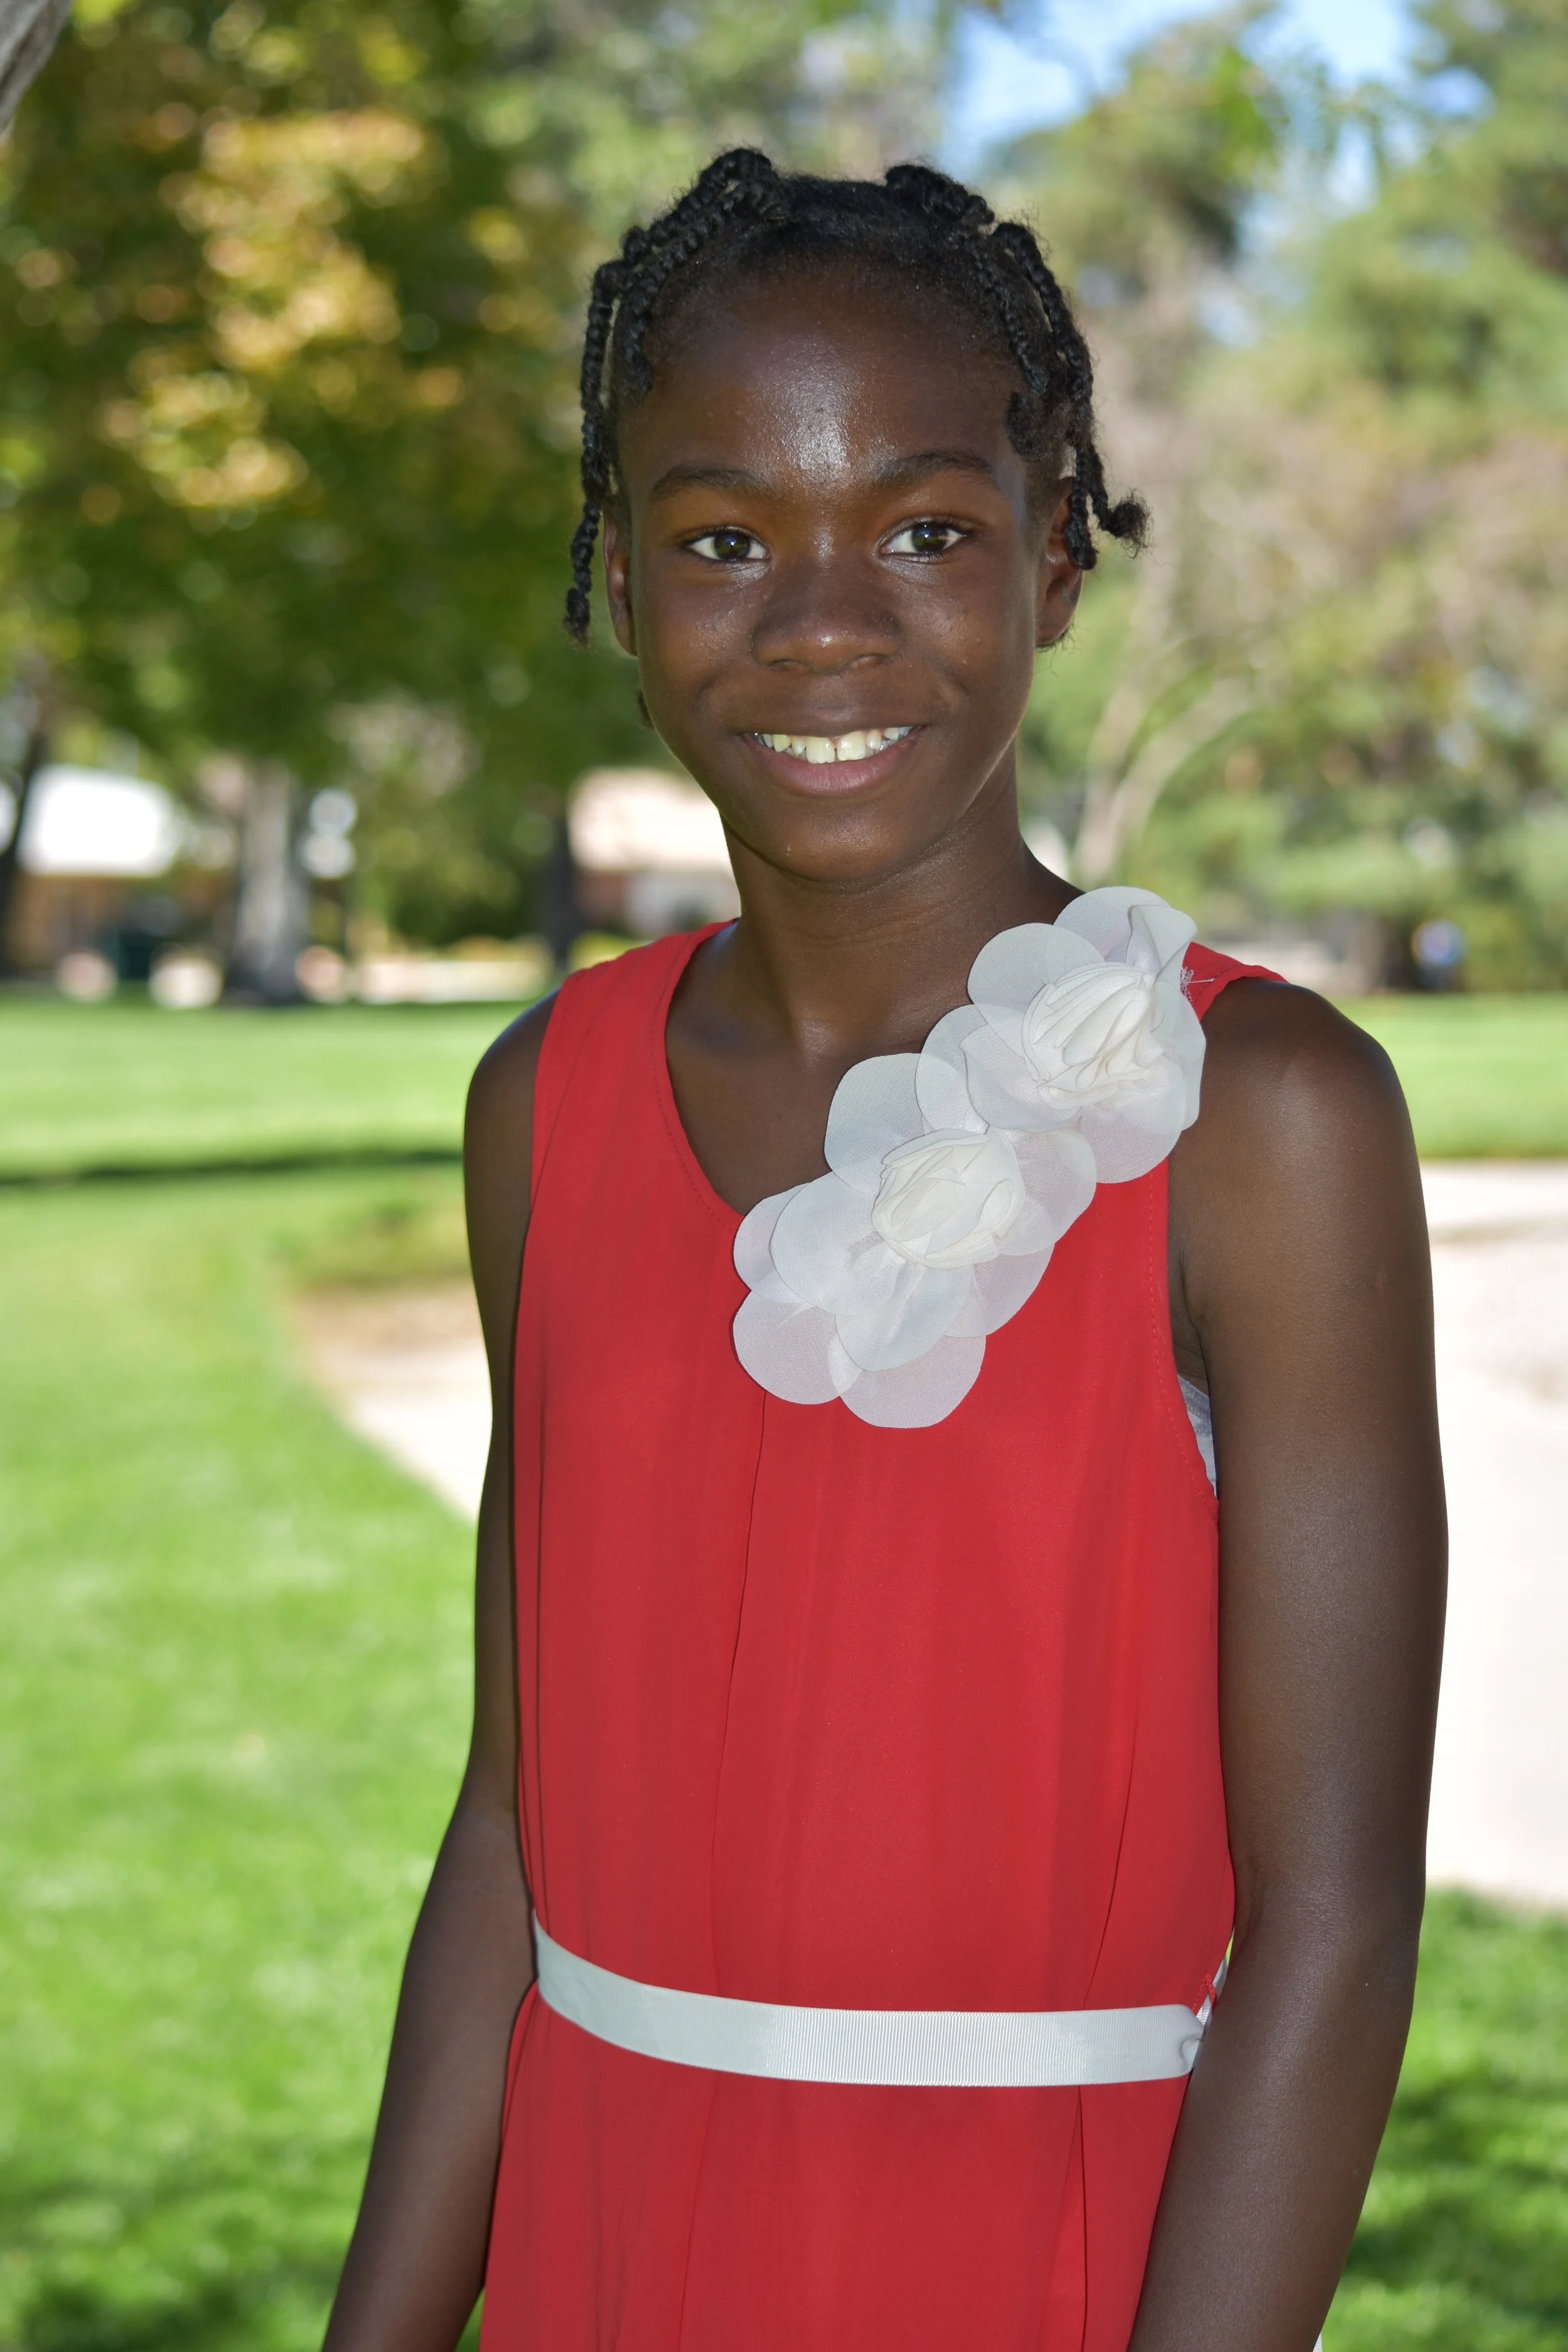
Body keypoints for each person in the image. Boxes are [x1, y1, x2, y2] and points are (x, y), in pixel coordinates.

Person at [322, 152, 1445, 2352]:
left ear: (1054, 555)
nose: (820, 621)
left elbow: (1333, 1919)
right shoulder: (543, 1102)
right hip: (600, 2242)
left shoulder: (1263, 1117)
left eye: (923, 529)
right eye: (721, 538)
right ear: (617, 578)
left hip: (1040, 2262)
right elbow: (511, 1833)